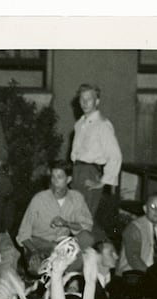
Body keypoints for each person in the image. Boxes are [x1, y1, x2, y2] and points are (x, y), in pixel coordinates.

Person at [16, 162, 94, 263]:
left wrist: (66, 223)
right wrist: (34, 251)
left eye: (59, 177)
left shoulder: (77, 198)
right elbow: (23, 234)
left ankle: (65, 266)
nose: (55, 181)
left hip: (62, 244)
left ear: (69, 179)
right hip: (38, 243)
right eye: (53, 177)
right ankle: (62, 265)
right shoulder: (39, 199)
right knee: (37, 267)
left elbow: (87, 226)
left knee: (87, 238)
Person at [68, 83, 122, 222]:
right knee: (72, 216)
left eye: (89, 99)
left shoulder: (102, 125)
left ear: (97, 101)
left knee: (84, 220)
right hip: (77, 171)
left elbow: (115, 155)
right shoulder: (80, 124)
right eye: (82, 99)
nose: (85, 103)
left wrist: (103, 181)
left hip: (90, 173)